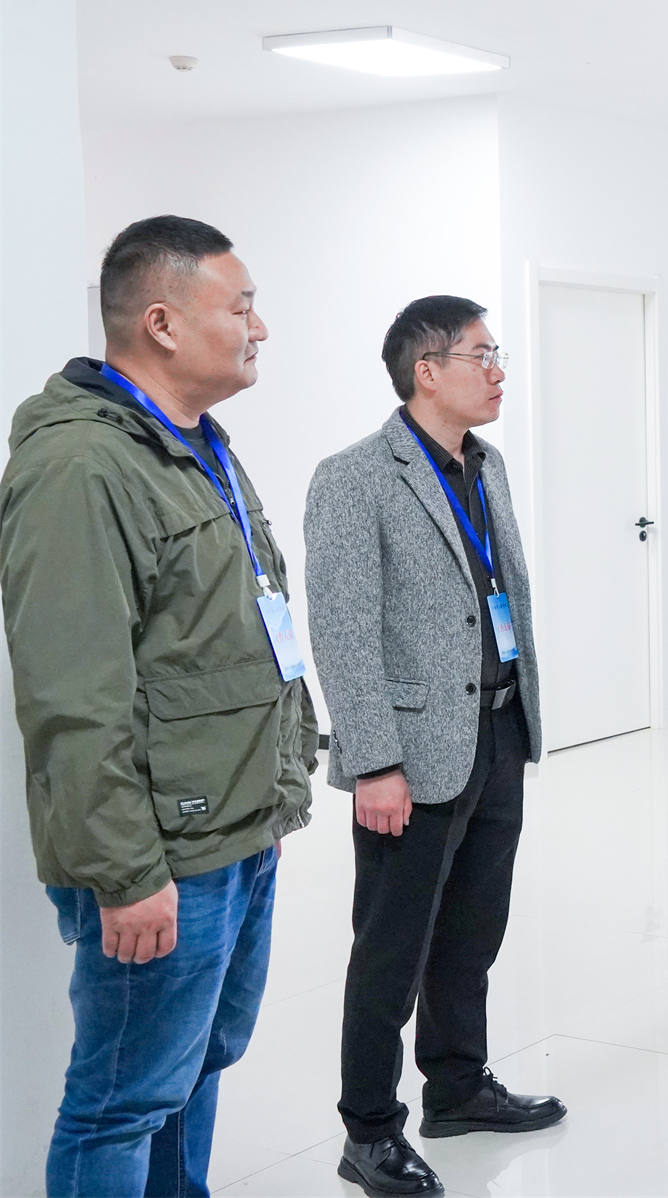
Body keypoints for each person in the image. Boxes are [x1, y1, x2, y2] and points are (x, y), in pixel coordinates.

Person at [0, 216, 318, 1197]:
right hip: (160, 853)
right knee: (123, 1099)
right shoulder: (81, 466)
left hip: (233, 823)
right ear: (164, 323)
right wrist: (125, 871)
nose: (260, 327)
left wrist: (278, 784)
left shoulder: (193, 443)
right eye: (242, 306)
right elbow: (72, 695)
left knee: (195, 1065)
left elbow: (229, 636)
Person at [305, 296, 563, 1198]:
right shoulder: (355, 476)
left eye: (498, 353)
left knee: (473, 929)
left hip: (497, 729)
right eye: (481, 354)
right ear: (427, 370)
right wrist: (375, 761)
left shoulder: (485, 466)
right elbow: (343, 632)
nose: (498, 371)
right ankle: (370, 1129)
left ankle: (457, 1084)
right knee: (392, 946)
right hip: (410, 755)